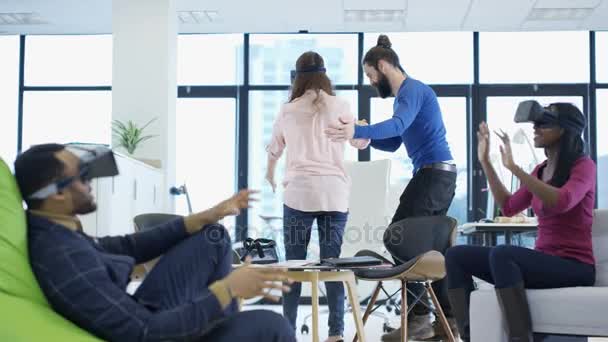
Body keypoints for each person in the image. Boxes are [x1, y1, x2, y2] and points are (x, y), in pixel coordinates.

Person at [15, 143, 296, 342]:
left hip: (139, 315)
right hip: (149, 331)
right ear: (57, 195)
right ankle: (216, 322)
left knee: (213, 236)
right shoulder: (63, 256)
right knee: (273, 325)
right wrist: (228, 288)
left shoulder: (57, 229)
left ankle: (215, 322)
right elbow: (144, 333)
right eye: (82, 176)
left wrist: (206, 215)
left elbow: (124, 247)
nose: (90, 182)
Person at [325, 34, 457, 340]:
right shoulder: (408, 95)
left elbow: (397, 126)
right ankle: (446, 321)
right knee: (430, 249)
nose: (372, 82)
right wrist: (362, 137)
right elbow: (396, 141)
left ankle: (420, 318)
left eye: (372, 75)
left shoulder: (411, 90)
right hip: (438, 176)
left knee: (399, 235)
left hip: (433, 175)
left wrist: (358, 129)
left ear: (383, 65)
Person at [445, 102, 596, 342]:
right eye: (535, 123)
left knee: (503, 254)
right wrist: (486, 162)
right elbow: (509, 206)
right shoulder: (540, 170)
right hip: (544, 261)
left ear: (565, 130)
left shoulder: (583, 166)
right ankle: (470, 336)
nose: (535, 128)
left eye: (543, 123)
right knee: (455, 256)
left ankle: (520, 339)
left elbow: (563, 201)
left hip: (574, 266)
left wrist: (515, 168)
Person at [265, 51, 369, 342]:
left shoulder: (288, 109)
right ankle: (336, 334)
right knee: (332, 264)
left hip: (298, 193)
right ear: (325, 75)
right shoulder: (340, 105)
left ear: (297, 77)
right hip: (333, 195)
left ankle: (287, 332)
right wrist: (361, 125)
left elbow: (275, 147)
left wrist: (270, 173)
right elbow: (360, 141)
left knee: (294, 266)